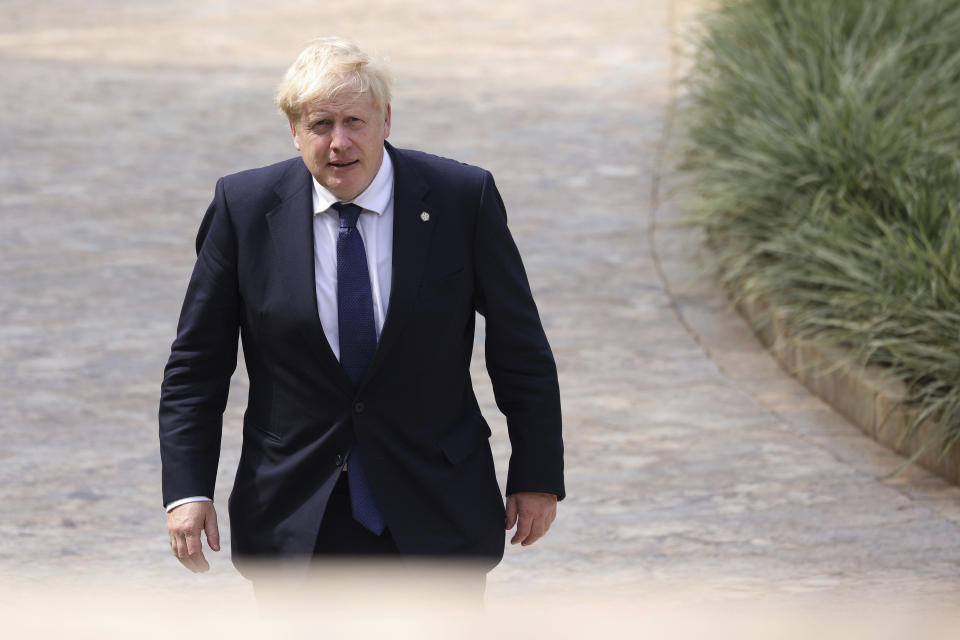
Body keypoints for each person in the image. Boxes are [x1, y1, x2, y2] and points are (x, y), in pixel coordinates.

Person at [159, 37, 564, 580]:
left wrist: (536, 475)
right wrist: (187, 490)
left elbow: (521, 349)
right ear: (294, 131)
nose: (339, 142)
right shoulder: (245, 209)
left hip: (435, 506)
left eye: (355, 120)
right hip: (295, 513)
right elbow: (197, 367)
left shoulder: (460, 199)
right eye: (321, 124)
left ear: (386, 121)